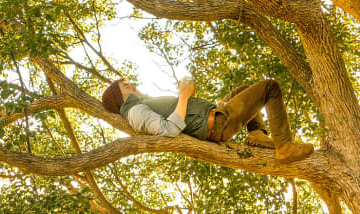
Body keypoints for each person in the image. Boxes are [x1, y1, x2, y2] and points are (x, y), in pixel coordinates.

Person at [101, 77, 314, 164]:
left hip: (216, 115)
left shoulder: (142, 103)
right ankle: (284, 147)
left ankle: (257, 134)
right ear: (121, 97)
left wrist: (188, 96)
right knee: (270, 87)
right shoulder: (135, 111)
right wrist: (184, 96)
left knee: (243, 90)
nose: (132, 85)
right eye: (126, 85)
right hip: (217, 125)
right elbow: (168, 130)